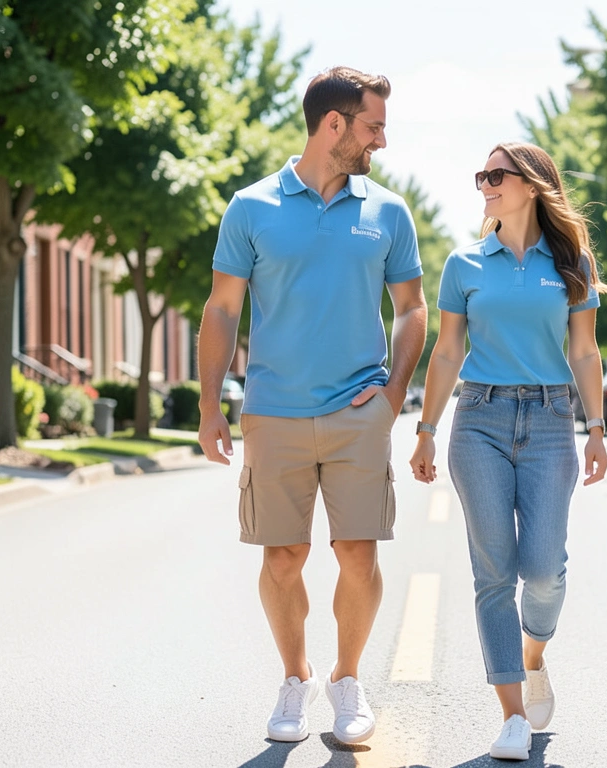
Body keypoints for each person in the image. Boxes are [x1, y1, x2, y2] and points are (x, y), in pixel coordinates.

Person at [195, 66, 428, 745]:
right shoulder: (251, 207)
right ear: (335, 124)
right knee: (282, 559)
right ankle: (295, 678)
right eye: (373, 126)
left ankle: (346, 679)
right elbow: (222, 308)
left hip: (359, 414)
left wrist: (391, 396)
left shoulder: (388, 211)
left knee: (358, 554)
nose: (381, 140)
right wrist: (211, 406)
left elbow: (412, 309)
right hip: (274, 412)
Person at [409, 142, 607, 761]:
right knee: (493, 573)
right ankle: (513, 715)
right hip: (480, 419)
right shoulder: (465, 263)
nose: (485, 186)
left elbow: (583, 351)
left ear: (530, 185)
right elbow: (446, 353)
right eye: (481, 177)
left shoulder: (570, 260)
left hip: (552, 420)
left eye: (496, 176)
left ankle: (533, 655)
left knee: (545, 570)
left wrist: (597, 427)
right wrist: (426, 428)